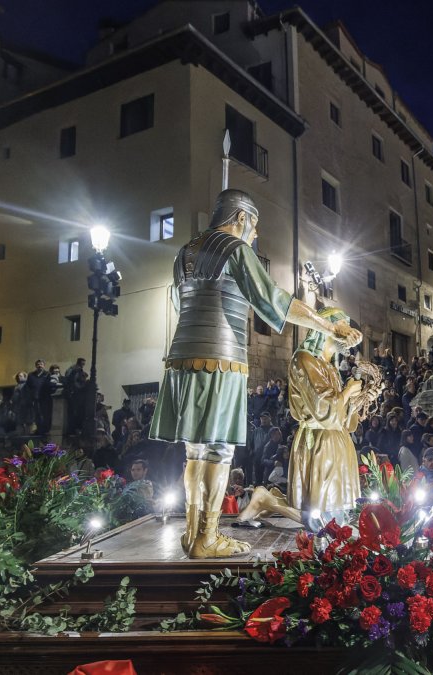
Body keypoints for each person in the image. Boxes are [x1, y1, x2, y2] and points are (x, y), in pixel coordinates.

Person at [149, 189, 358, 558]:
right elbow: (273, 300)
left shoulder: (184, 253)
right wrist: (328, 327)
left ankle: (193, 535)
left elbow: (178, 301)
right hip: (220, 360)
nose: (254, 235)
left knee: (195, 452)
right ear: (241, 218)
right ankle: (209, 538)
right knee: (217, 449)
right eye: (254, 226)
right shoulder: (234, 249)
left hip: (182, 358)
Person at [241, 307, 369, 529]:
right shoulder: (304, 359)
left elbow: (344, 420)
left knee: (335, 520)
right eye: (343, 325)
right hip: (320, 442)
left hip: (337, 442)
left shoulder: (331, 367)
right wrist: (347, 392)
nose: (348, 332)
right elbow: (323, 408)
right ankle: (268, 500)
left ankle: (268, 500)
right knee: (323, 522)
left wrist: (358, 400)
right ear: (325, 327)